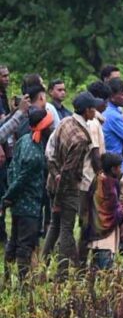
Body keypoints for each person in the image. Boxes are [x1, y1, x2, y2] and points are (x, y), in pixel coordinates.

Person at [50, 91, 100, 275]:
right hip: (68, 187)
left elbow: (51, 152)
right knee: (66, 229)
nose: (95, 112)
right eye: (93, 108)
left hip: (55, 180)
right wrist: (58, 200)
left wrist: (54, 174)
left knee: (55, 225)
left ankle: (45, 263)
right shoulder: (81, 138)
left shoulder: (65, 122)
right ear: (87, 111)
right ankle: (62, 272)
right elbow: (69, 171)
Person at [3, 107, 53, 279]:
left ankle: (6, 279)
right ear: (43, 127)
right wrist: (8, 196)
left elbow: (11, 169)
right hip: (28, 204)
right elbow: (22, 179)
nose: (52, 128)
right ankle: (23, 283)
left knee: (13, 240)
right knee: (25, 244)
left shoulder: (24, 140)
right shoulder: (35, 155)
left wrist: (11, 197)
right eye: (49, 125)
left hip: (19, 203)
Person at [85, 153, 123, 270]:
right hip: (106, 235)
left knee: (95, 268)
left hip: (94, 231)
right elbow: (114, 210)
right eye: (119, 167)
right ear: (113, 169)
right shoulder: (111, 185)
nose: (121, 170)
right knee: (106, 271)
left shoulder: (97, 179)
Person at [102, 78, 123, 159]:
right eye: (122, 94)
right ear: (112, 97)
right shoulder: (113, 115)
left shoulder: (113, 110)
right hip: (119, 162)